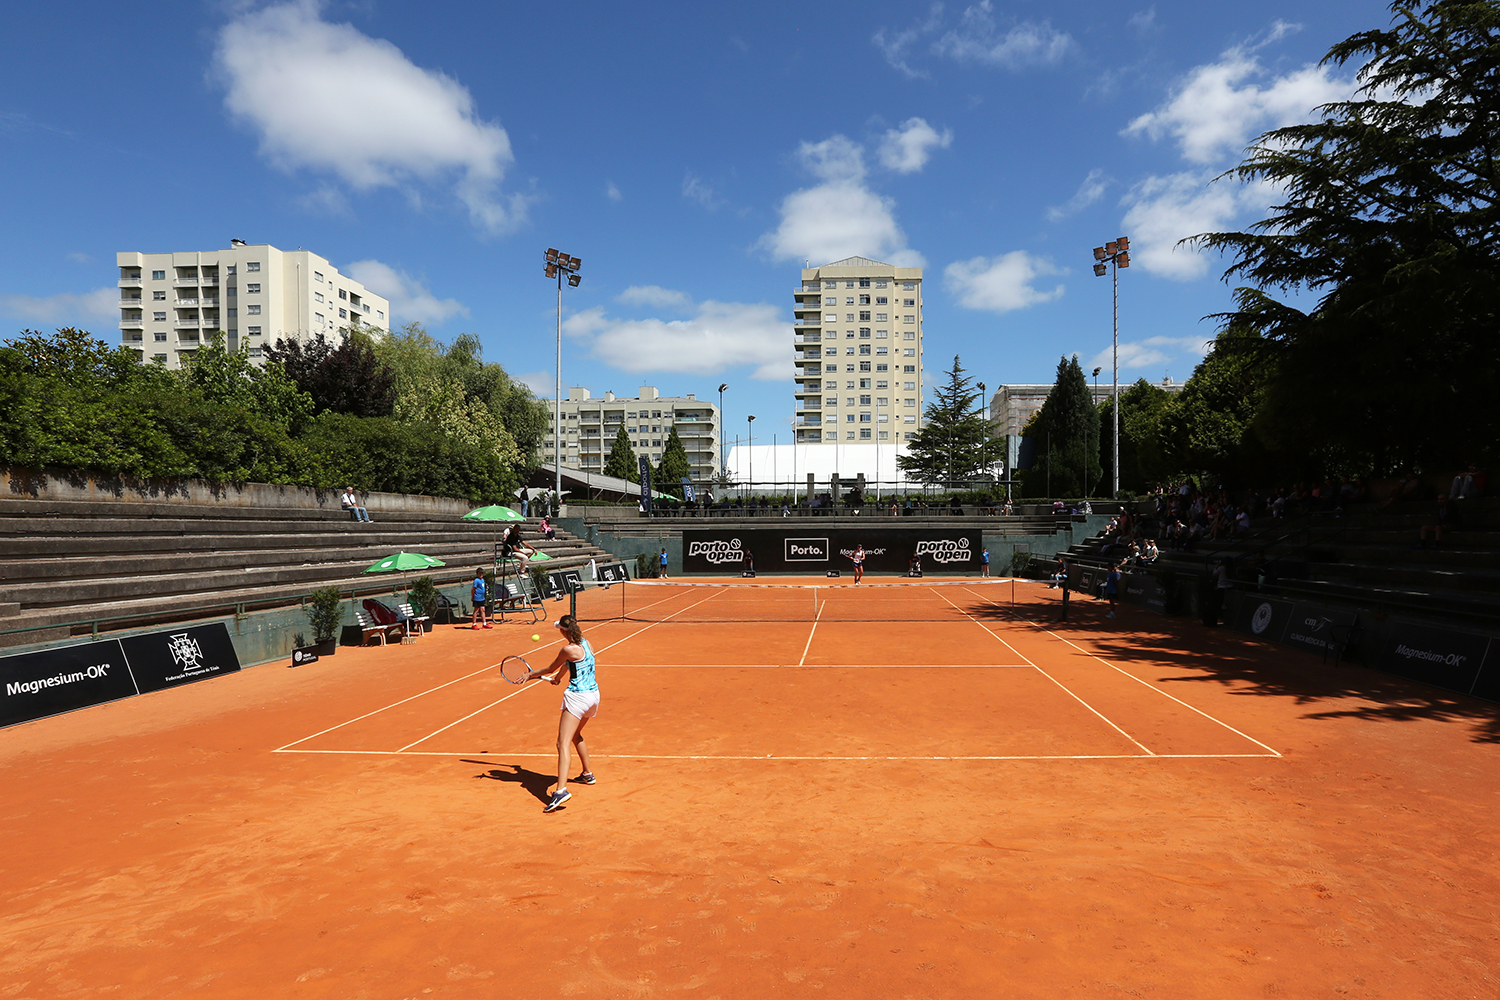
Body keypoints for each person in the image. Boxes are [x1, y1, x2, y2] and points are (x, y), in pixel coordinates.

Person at [524, 614, 600, 813]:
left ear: (563, 631)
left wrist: (529, 675)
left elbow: (550, 667)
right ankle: (587, 774)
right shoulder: (586, 643)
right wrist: (558, 678)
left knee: (562, 743)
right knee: (576, 735)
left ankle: (560, 790)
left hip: (577, 698)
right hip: (593, 697)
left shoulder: (567, 649)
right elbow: (571, 665)